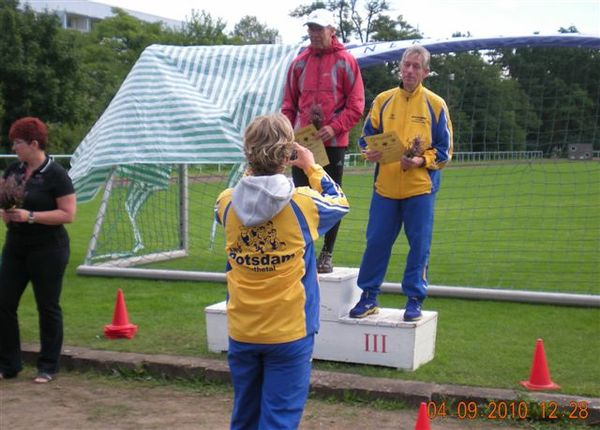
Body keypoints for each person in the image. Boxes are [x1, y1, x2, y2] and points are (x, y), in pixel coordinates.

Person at [214, 113, 349, 429]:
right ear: (287, 153)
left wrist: (253, 168)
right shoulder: (302, 204)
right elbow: (340, 202)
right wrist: (311, 166)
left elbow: (235, 204)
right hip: (289, 330)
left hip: (243, 328)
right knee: (279, 419)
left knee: (245, 417)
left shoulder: (226, 203)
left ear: (248, 152)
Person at [349, 46, 453, 322]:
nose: (409, 70)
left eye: (416, 66)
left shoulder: (435, 104)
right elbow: (365, 138)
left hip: (420, 190)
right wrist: (368, 151)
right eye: (406, 64)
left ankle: (414, 300)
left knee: (419, 246)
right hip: (385, 188)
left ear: (426, 72)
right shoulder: (383, 100)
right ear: (400, 67)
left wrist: (420, 161)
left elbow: (445, 151)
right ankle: (368, 296)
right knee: (376, 243)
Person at [282, 8, 364, 273]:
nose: (314, 34)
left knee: (332, 198)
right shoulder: (298, 63)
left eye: (319, 29)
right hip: (303, 143)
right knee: (300, 197)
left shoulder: (346, 61)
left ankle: (327, 253)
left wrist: (335, 127)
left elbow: (356, 105)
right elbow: (288, 105)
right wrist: (287, 133)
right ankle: (303, 252)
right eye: (311, 29)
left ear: (332, 31)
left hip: (333, 144)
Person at [0, 117, 76, 383]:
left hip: (48, 249)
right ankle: (9, 364)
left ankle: (48, 366)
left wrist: (30, 216)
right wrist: (6, 213)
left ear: (34, 144)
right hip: (16, 246)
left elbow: (68, 214)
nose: (13, 147)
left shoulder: (57, 174)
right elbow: (5, 202)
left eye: (18, 143)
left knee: (47, 305)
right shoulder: (13, 171)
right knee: (3, 302)